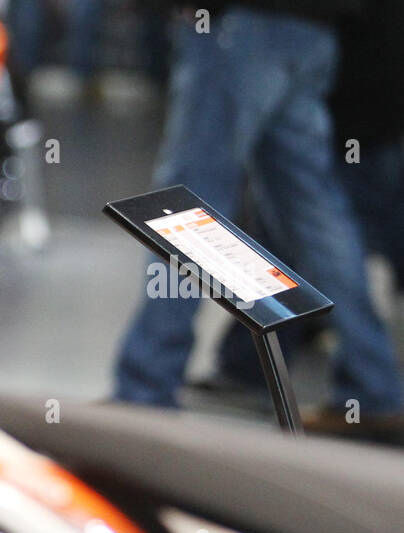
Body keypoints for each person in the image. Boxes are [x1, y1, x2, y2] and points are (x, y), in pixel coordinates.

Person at [111, 1, 404, 437]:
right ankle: (373, 385)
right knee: (314, 212)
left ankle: (146, 385)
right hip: (313, 27)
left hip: (240, 23)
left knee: (186, 204)